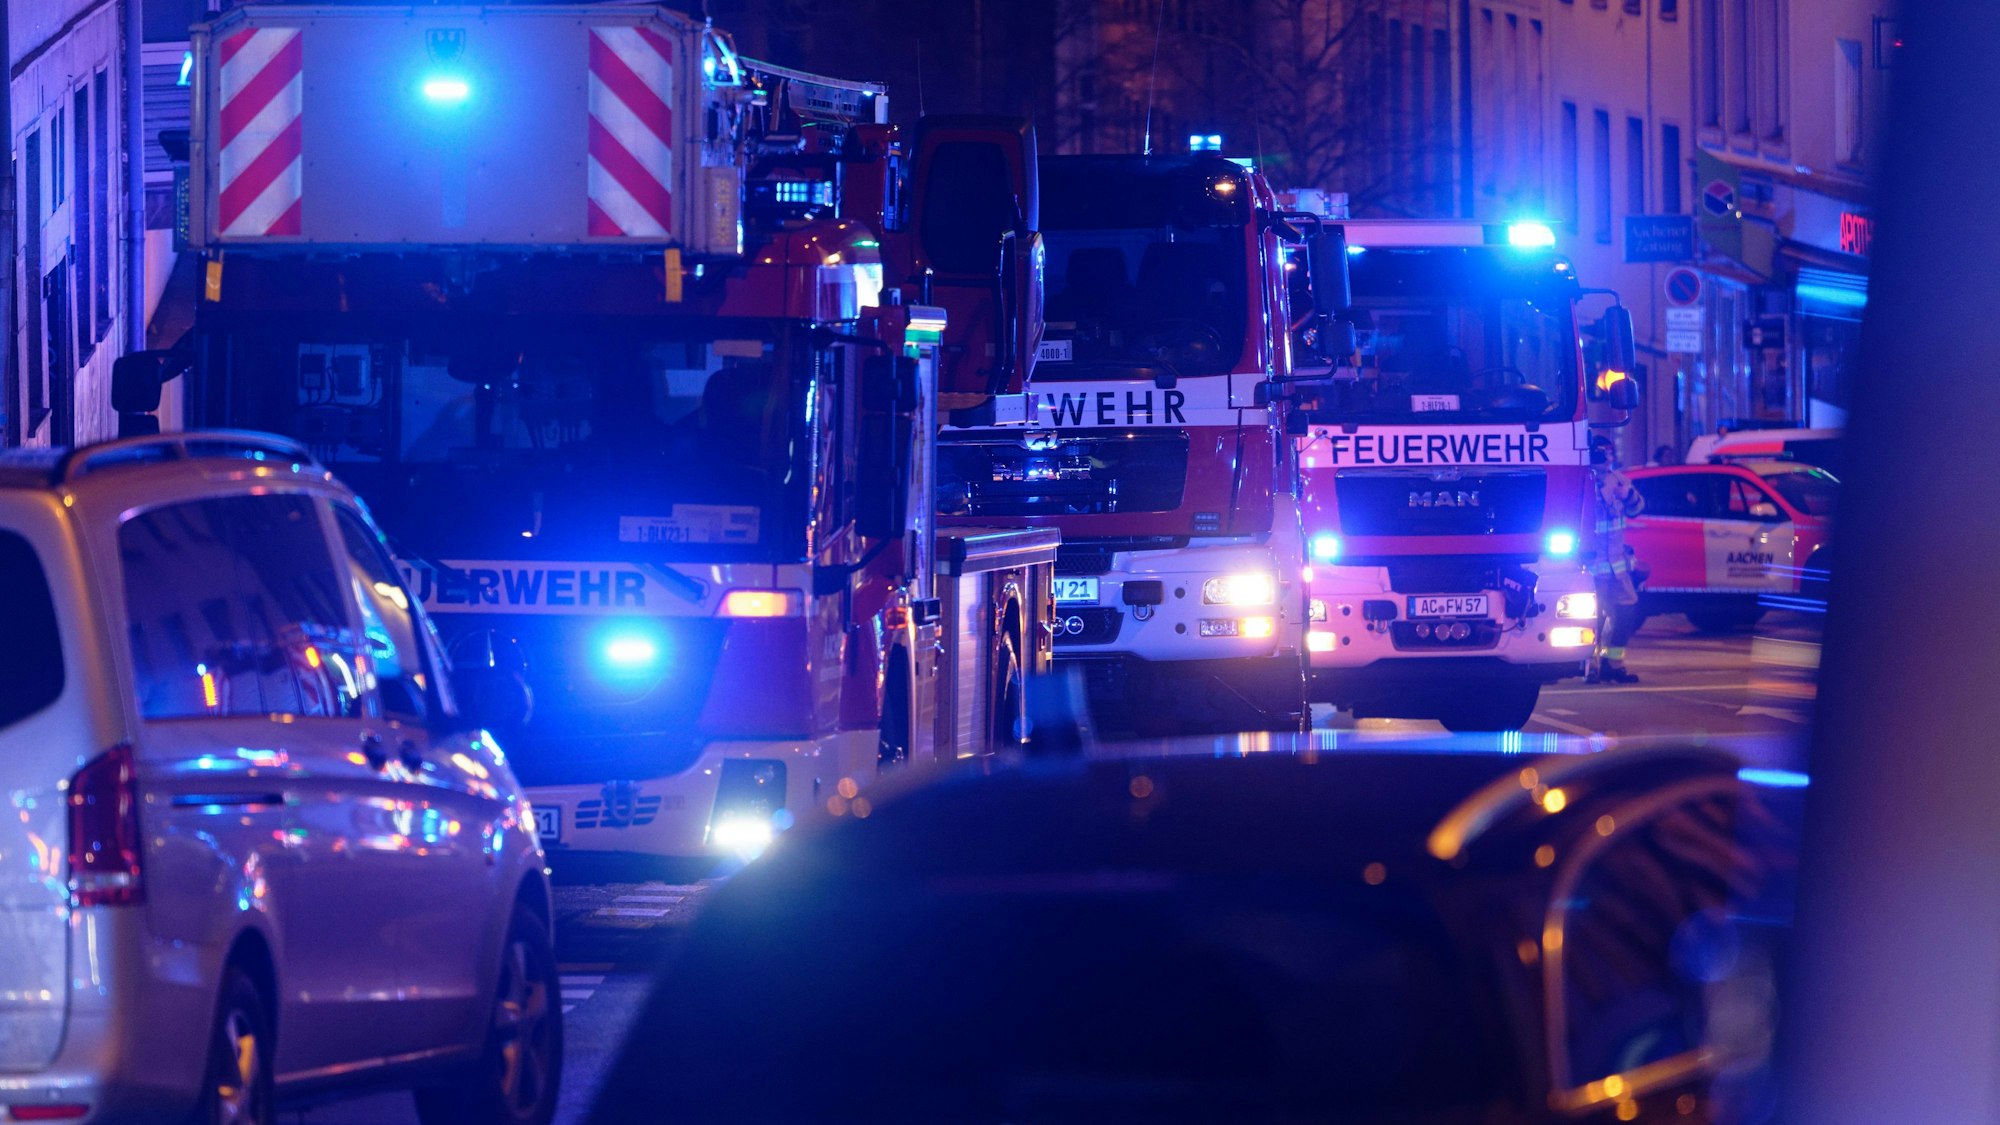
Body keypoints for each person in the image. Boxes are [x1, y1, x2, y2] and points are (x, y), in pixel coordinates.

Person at [1588, 437, 1645, 684]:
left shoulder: (1620, 480)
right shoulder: (1583, 481)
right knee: (1592, 618)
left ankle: (1613, 661)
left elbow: (1638, 508)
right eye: (1602, 454)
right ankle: (1589, 666)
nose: (1607, 458)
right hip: (1591, 565)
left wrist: (1628, 494)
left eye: (1610, 453)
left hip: (1617, 565)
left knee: (1626, 611)